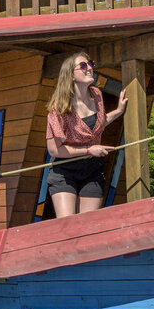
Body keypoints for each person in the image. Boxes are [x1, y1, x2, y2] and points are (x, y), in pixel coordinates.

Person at [45, 52, 127, 217]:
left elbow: (97, 125)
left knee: (88, 225)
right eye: (83, 65)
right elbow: (54, 150)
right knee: (68, 224)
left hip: (93, 170)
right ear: (71, 75)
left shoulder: (97, 95)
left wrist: (118, 111)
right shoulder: (59, 108)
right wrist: (89, 150)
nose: (89, 68)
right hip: (65, 171)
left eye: (91, 64)